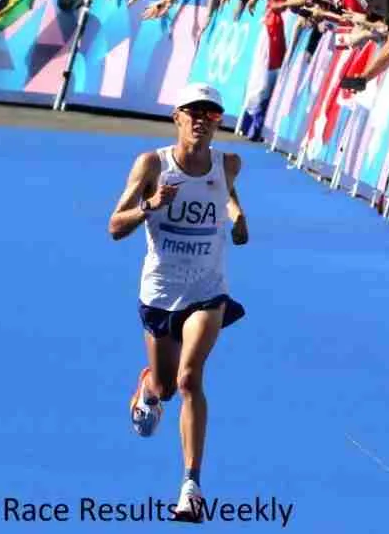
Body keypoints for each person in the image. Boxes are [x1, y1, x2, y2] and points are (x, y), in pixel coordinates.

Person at [107, 83, 248, 523]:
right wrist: (150, 205)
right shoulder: (152, 163)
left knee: (190, 381)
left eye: (211, 113)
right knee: (168, 387)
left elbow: (226, 197)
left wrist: (238, 218)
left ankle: (191, 486)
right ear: (177, 117)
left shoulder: (229, 163)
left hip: (208, 291)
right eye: (194, 112)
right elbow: (114, 226)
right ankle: (149, 385)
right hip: (161, 293)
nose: (202, 120)